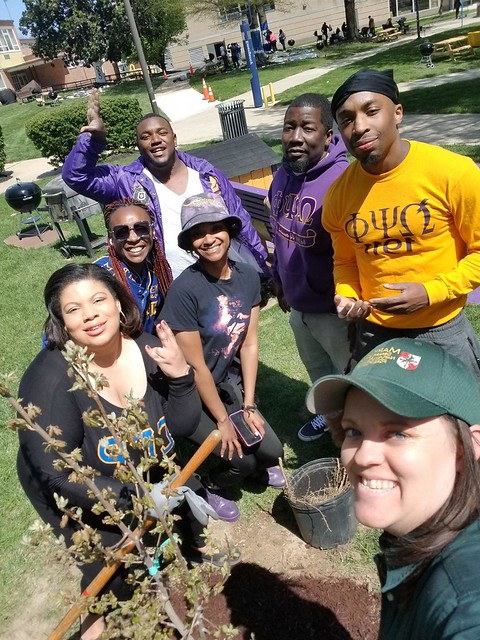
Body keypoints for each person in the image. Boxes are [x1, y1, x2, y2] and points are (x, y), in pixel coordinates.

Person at [17, 264, 234, 640]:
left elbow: (175, 429)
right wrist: (137, 496)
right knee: (109, 564)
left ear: (119, 304)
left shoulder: (147, 348)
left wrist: (181, 377)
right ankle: (93, 623)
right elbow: (57, 472)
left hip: (133, 472)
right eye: (73, 309)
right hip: (71, 485)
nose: (90, 314)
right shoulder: (50, 381)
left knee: (156, 534)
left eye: (99, 299)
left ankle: (175, 560)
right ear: (62, 323)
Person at [307, 337, 480, 639]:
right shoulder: (423, 534)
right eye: (354, 431)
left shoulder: (464, 608)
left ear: (465, 450)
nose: (362, 456)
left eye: (398, 434)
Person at [323, 68, 480, 381]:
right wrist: (347, 294)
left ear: (397, 113)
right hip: (375, 335)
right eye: (347, 119)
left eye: (371, 111)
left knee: (463, 425)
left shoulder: (454, 173)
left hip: (443, 331)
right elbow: (344, 261)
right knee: (383, 427)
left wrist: (430, 292)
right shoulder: (338, 195)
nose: (360, 127)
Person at [160, 193, 285, 523]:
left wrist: (249, 405)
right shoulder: (185, 290)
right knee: (239, 460)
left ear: (229, 230)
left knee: (272, 451)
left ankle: (256, 468)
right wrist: (222, 420)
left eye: (216, 228)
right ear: (190, 242)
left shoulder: (247, 277)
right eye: (199, 233)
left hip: (226, 383)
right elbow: (196, 365)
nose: (209, 238)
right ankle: (212, 486)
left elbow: (249, 344)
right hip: (193, 393)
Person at [62, 90, 268, 280]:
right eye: (146, 136)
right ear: (139, 146)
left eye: (162, 133)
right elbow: (76, 176)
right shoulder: (126, 181)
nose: (155, 140)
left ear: (174, 139)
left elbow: (242, 222)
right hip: (170, 287)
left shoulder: (207, 175)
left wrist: (262, 268)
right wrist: (92, 140)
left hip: (221, 278)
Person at [267, 93, 350, 443]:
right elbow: (278, 233)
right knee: (318, 371)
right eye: (290, 127)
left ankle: (357, 435)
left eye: (307, 128)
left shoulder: (342, 179)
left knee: (351, 376)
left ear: (328, 135)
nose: (296, 137)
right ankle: (332, 426)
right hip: (298, 305)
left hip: (333, 311)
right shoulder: (283, 175)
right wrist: (280, 282)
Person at [95, 198, 172, 333]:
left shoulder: (155, 273)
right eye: (121, 232)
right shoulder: (98, 278)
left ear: (153, 232)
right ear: (111, 239)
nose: (133, 238)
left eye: (141, 228)